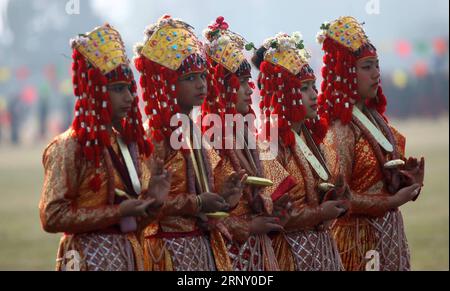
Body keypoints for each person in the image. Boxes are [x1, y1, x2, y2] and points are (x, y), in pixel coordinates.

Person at [39, 24, 170, 271]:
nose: (130, 98)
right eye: (118, 89)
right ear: (95, 91)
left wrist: (153, 202)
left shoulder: (123, 143)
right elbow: (52, 216)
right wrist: (116, 213)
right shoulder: (67, 147)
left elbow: (134, 222)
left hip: (128, 255)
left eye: (130, 89)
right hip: (85, 257)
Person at [134, 15, 245, 271]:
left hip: (201, 248)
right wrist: (196, 204)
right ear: (167, 81)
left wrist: (226, 195)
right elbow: (145, 203)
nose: (201, 85)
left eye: (203, 77)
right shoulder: (155, 136)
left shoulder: (192, 130)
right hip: (167, 251)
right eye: (190, 78)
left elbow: (207, 190)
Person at [316, 16, 425, 271]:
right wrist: (390, 201)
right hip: (358, 242)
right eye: (366, 67)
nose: (376, 74)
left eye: (376, 65)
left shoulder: (374, 118)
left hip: (388, 234)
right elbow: (338, 198)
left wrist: (407, 182)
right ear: (346, 72)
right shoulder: (341, 128)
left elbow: (379, 181)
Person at [202, 17, 297, 271]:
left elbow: (270, 195)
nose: (249, 90)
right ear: (222, 88)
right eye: (241, 83)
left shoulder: (249, 134)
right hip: (229, 257)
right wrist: (249, 226)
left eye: (249, 82)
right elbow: (203, 218)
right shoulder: (209, 138)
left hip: (260, 252)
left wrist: (276, 210)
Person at [252, 32, 348, 270]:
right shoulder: (269, 140)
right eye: (304, 88)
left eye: (313, 86)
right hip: (290, 253)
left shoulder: (309, 135)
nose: (315, 95)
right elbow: (273, 214)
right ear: (284, 92)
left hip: (322, 248)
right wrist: (319, 213)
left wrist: (337, 199)